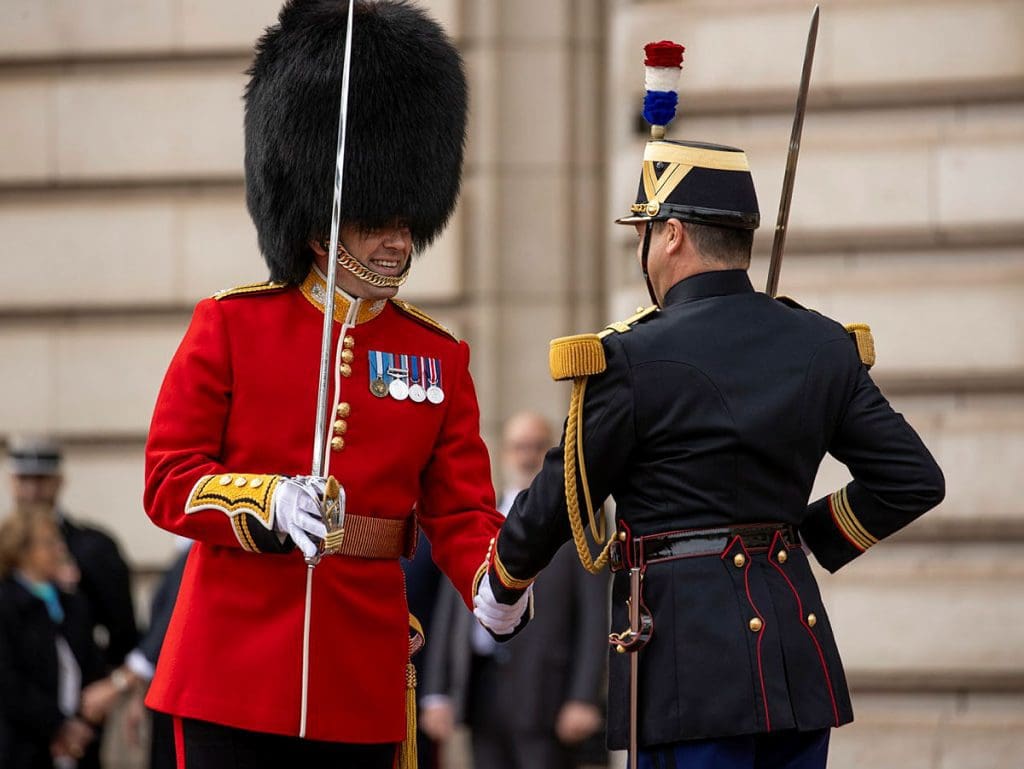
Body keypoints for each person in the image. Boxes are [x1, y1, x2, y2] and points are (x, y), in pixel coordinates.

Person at [474, 44, 945, 769]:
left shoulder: (631, 357)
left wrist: (502, 587)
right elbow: (913, 477)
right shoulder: (822, 344)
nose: (642, 252)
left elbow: (563, 492)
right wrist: (804, 538)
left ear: (673, 235)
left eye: (643, 235)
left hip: (686, 667)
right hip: (797, 657)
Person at [142, 2, 508, 767]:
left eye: (409, 221)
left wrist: (494, 581)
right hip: (228, 674)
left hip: (360, 679)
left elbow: (462, 509)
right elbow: (169, 480)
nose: (400, 241)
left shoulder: (436, 356)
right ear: (318, 225)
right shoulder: (232, 325)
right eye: (378, 220)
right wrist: (266, 499)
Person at [422, 412, 609, 769]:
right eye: (519, 447)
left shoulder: (580, 520)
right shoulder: (480, 517)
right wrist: (436, 691)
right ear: (505, 454)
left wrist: (585, 697)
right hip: (481, 690)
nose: (527, 456)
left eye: (537, 447)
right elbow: (451, 609)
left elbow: (595, 614)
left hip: (547, 696)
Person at [7, 436, 138, 671]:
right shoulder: (4, 544)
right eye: (23, 479)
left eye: (41, 479)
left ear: (58, 481)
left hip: (78, 683)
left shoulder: (93, 547)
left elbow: (122, 630)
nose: (32, 491)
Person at [0, 506, 105, 769]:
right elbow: (8, 682)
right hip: (23, 747)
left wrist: (82, 724)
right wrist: (58, 726)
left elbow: (92, 668)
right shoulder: (6, 604)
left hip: (77, 747)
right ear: (22, 550)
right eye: (49, 543)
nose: (60, 549)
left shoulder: (72, 602)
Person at [80, 539, 192, 769]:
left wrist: (118, 683)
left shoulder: (198, 552)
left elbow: (171, 626)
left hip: (185, 703)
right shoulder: (186, 552)